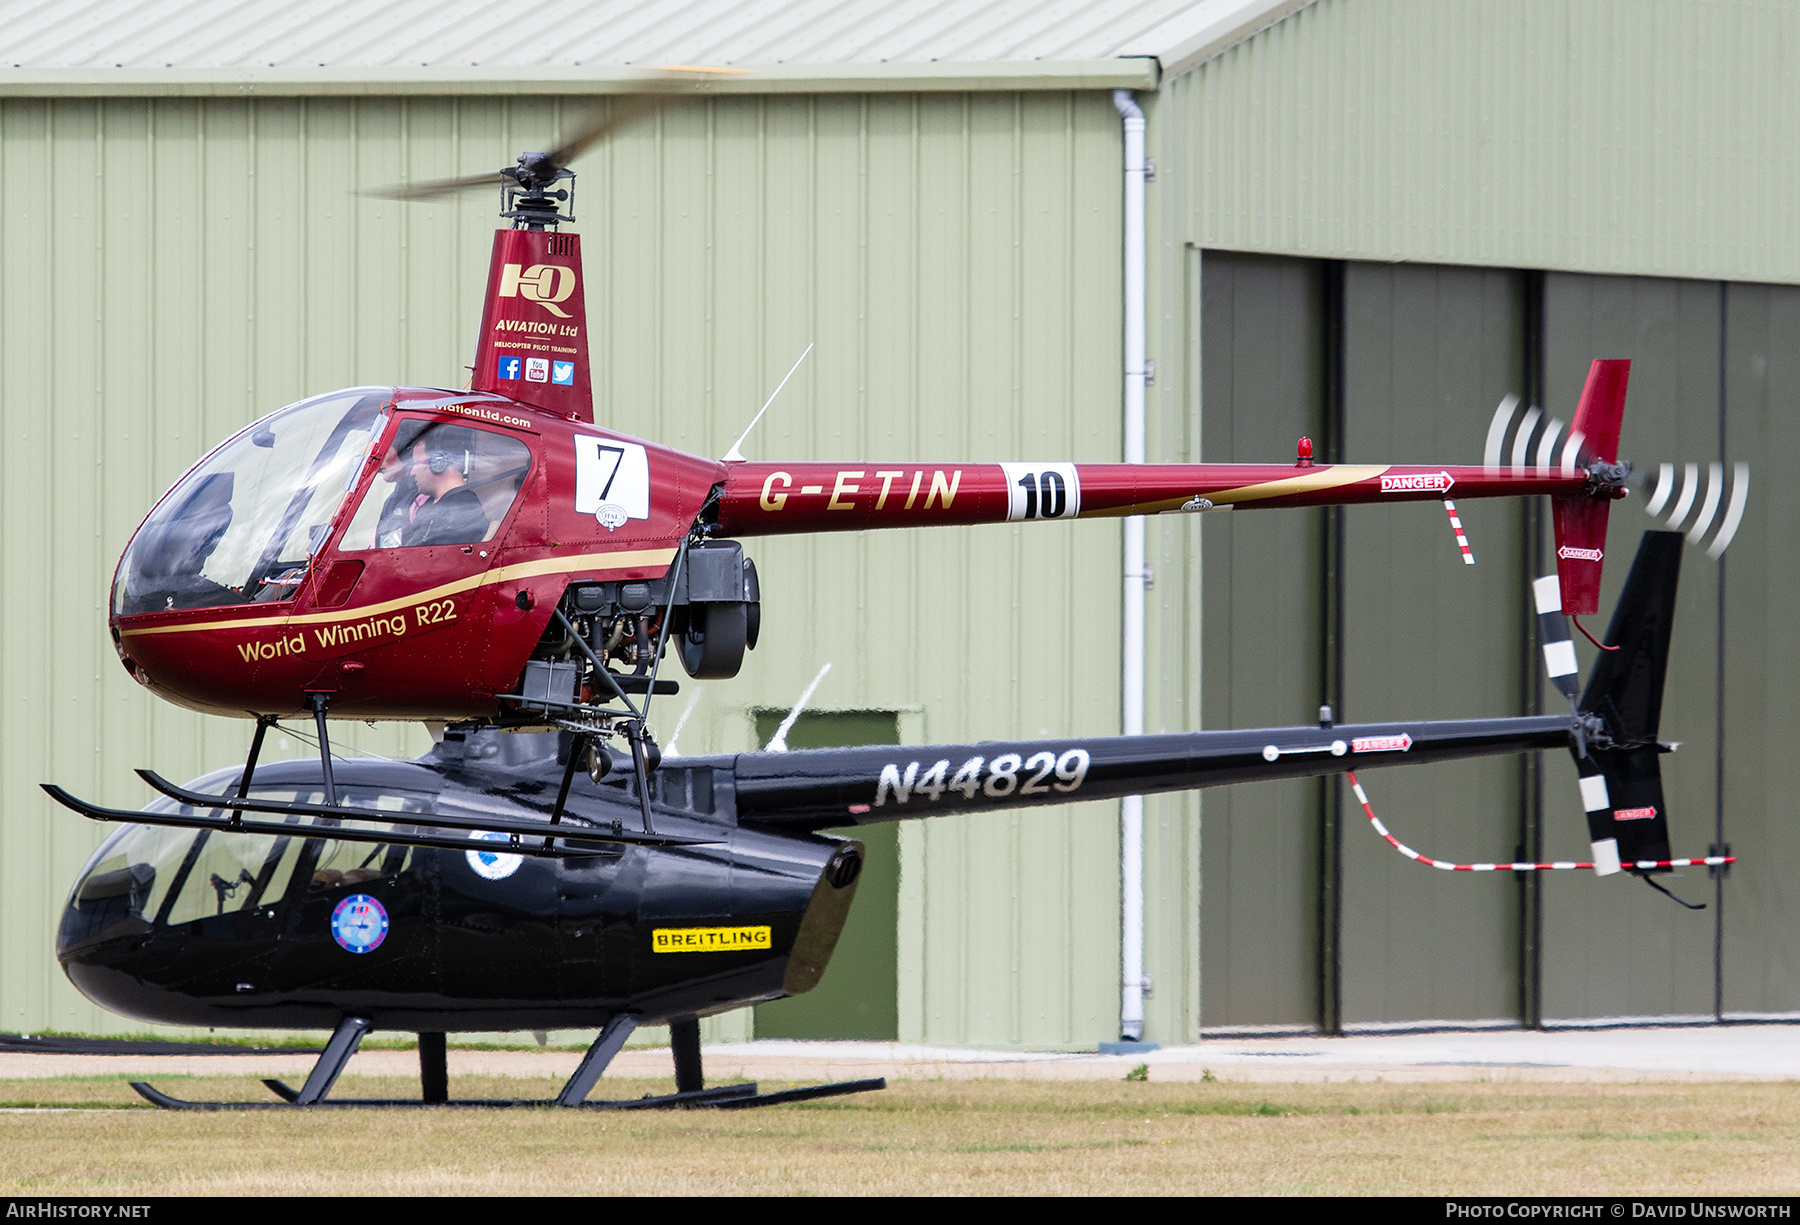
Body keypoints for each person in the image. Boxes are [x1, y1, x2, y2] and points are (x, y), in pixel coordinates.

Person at [399, 426, 490, 547]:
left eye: (416, 464)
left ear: (438, 463)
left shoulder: (463, 509)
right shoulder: (428, 505)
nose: (412, 472)